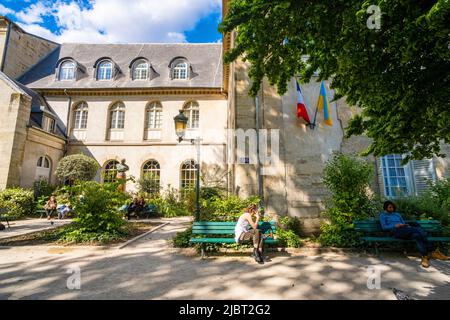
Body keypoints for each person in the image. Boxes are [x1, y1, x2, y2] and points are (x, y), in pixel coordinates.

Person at [379, 200, 448, 268]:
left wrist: (405, 225)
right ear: (385, 208)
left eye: (392, 207)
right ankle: (433, 251)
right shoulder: (383, 216)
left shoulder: (397, 214)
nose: (392, 209)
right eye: (390, 207)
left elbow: (403, 222)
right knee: (418, 230)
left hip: (405, 230)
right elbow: (384, 227)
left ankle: (424, 257)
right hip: (395, 231)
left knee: (417, 236)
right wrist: (395, 225)